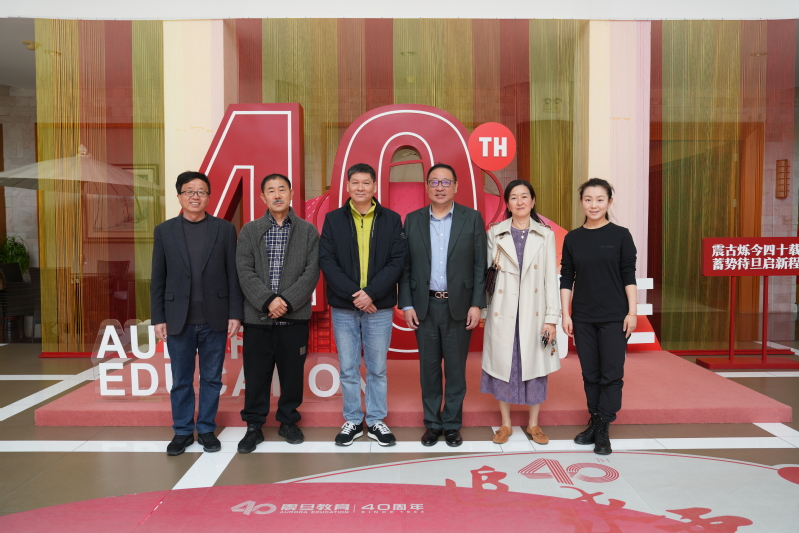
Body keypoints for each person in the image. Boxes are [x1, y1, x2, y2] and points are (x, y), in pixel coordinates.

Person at [151, 171, 243, 456]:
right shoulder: (164, 231)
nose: (195, 196)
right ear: (179, 196)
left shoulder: (224, 230)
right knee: (181, 380)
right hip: (178, 320)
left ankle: (205, 429)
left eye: (201, 191)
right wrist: (158, 318)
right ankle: (182, 431)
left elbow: (233, 275)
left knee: (212, 379)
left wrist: (235, 313)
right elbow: (158, 277)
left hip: (215, 318)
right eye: (189, 191)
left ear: (208, 197)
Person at [399, 163, 487, 447]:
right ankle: (432, 423)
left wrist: (477, 304)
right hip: (424, 306)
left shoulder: (471, 218)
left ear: (456, 187)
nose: (440, 187)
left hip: (458, 306)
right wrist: (407, 304)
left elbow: (480, 266)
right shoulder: (412, 220)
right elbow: (405, 266)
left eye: (445, 182)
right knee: (429, 369)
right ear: (426, 186)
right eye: (434, 182)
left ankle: (451, 424)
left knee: (456, 370)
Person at [319, 163, 406, 447]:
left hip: (378, 308)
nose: (360, 188)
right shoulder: (333, 219)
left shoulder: (391, 219)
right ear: (347, 186)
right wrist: (356, 295)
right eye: (355, 182)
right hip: (344, 308)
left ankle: (377, 419)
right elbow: (327, 261)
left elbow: (397, 261)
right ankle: (353, 420)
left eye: (366, 182)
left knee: (377, 368)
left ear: (374, 186)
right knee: (348, 367)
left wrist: (370, 294)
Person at [235, 173, 320, 452]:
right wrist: (268, 300)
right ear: (263, 197)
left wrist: (286, 302)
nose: (277, 195)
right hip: (257, 318)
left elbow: (311, 272)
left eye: (282, 189)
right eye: (270, 190)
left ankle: (288, 421)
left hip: (294, 318)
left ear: (291, 193)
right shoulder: (250, 230)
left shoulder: (307, 231)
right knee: (256, 375)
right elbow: (244, 270)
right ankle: (254, 426)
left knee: (292, 375)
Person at [560, 178, 637, 455]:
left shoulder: (621, 235)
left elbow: (628, 274)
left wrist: (632, 312)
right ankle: (594, 420)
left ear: (609, 202)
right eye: (588, 199)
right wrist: (566, 314)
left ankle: (603, 427)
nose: (594, 205)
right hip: (583, 317)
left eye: (600, 199)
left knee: (611, 374)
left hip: (615, 316)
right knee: (590, 373)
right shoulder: (573, 238)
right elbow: (566, 277)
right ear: (581, 202)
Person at [481, 180, 561, 445]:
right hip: (503, 311)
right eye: (514, 197)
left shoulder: (545, 235)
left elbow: (550, 279)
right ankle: (505, 424)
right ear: (507, 203)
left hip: (534, 312)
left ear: (533, 201)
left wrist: (551, 319)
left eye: (524, 196)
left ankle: (533, 424)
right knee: (504, 366)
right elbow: (488, 275)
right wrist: (484, 311)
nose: (520, 201)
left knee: (535, 367)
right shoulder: (495, 233)